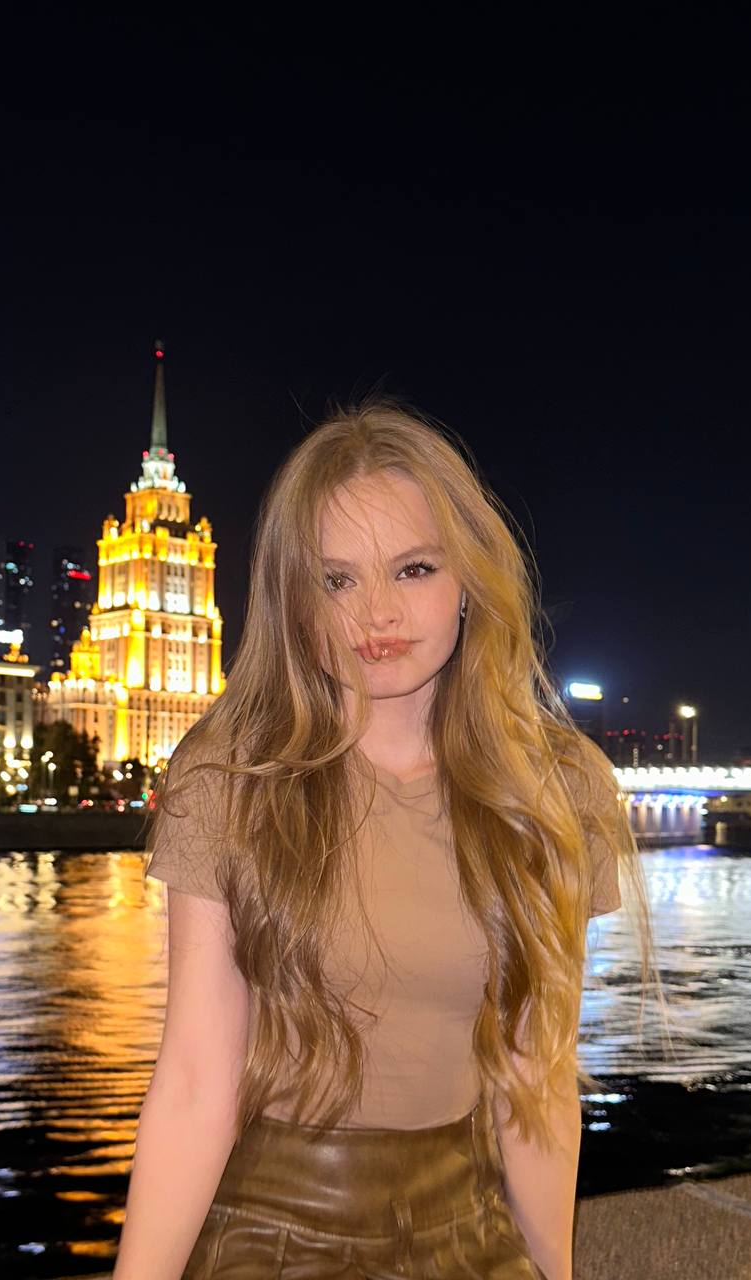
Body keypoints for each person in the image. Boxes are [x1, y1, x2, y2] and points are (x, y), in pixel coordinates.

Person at [112, 398, 655, 1280]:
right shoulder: (230, 777)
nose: (376, 613)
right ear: (294, 600)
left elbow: (537, 1080)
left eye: (413, 569)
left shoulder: (559, 790)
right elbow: (195, 1083)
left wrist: (555, 1272)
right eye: (336, 580)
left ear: (469, 576)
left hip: (468, 1230)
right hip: (269, 1238)